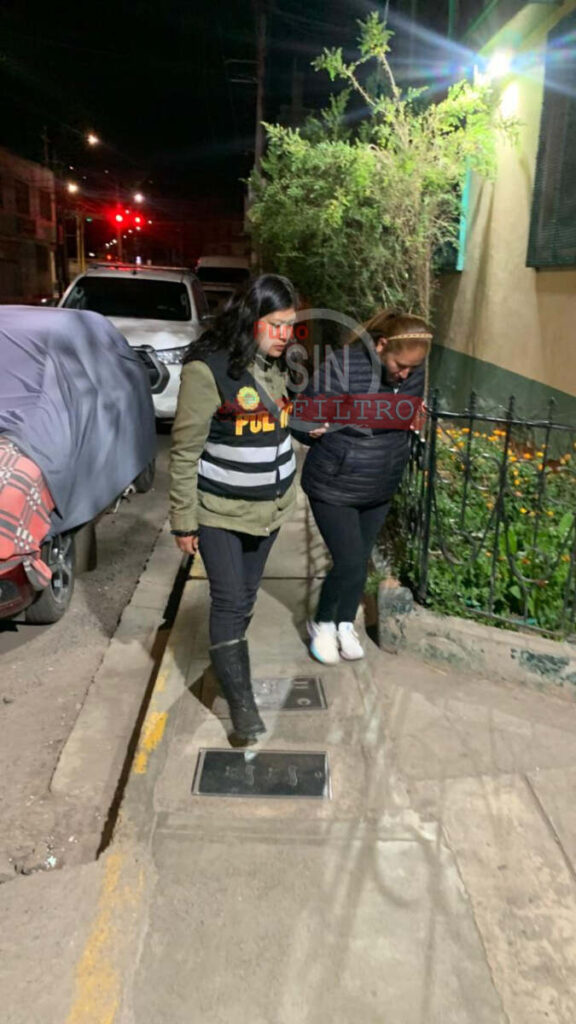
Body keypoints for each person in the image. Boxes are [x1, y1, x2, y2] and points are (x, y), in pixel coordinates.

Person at [170, 274, 298, 740]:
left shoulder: (277, 366)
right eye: (276, 324)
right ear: (250, 318)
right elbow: (185, 452)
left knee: (245, 597)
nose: (285, 335)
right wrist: (183, 521)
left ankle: (227, 661)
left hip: (271, 511)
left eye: (290, 325)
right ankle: (242, 706)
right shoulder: (207, 370)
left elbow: (273, 424)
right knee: (227, 599)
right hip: (220, 511)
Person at [297, 309, 432, 665]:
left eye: (413, 368)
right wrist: (312, 426)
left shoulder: (412, 372)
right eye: (400, 365)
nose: (405, 374)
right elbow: (303, 417)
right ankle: (322, 622)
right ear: (382, 345)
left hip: (380, 483)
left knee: (360, 558)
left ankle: (344, 623)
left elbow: (406, 415)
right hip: (334, 482)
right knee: (349, 560)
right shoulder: (343, 364)